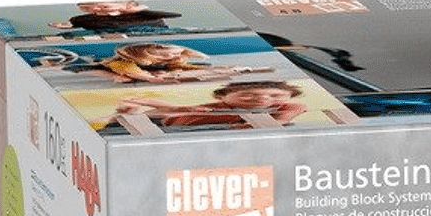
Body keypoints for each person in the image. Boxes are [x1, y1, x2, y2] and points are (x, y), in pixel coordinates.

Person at [114, 81, 306, 128]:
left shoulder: (284, 107)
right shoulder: (218, 106)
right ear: (222, 97)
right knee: (160, 111)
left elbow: (293, 111)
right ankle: (127, 113)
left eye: (276, 95)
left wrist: (277, 121)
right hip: (167, 122)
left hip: (183, 127)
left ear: (289, 96)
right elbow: (168, 108)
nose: (263, 99)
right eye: (247, 95)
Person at [92, 43, 266, 84]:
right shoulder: (123, 62)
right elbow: (137, 73)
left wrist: (225, 68)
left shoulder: (173, 58)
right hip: (110, 69)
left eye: (176, 53)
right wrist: (152, 78)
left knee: (168, 71)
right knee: (124, 78)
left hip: (147, 71)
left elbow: (183, 68)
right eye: (166, 53)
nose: (172, 56)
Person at [51, 0, 183, 36]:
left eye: (103, 6)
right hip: (106, 34)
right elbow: (73, 25)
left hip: (146, 31)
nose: (97, 9)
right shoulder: (82, 18)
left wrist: (136, 9)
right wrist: (65, 26)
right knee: (67, 35)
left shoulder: (143, 14)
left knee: (180, 31)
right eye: (92, 8)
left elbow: (175, 15)